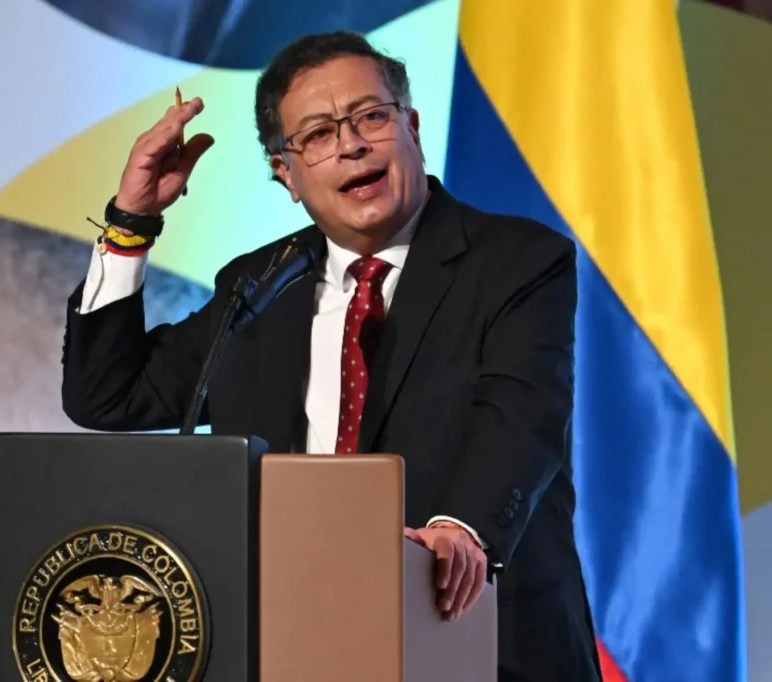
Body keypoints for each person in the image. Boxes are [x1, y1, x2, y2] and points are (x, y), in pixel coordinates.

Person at [61, 30, 600, 682]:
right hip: (295, 647)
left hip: (478, 641)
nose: (351, 144)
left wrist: (462, 529)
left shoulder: (516, 260)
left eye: (371, 116)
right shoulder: (257, 286)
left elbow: (521, 414)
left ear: (412, 128)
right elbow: (107, 395)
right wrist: (129, 223)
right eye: (317, 134)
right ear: (285, 174)